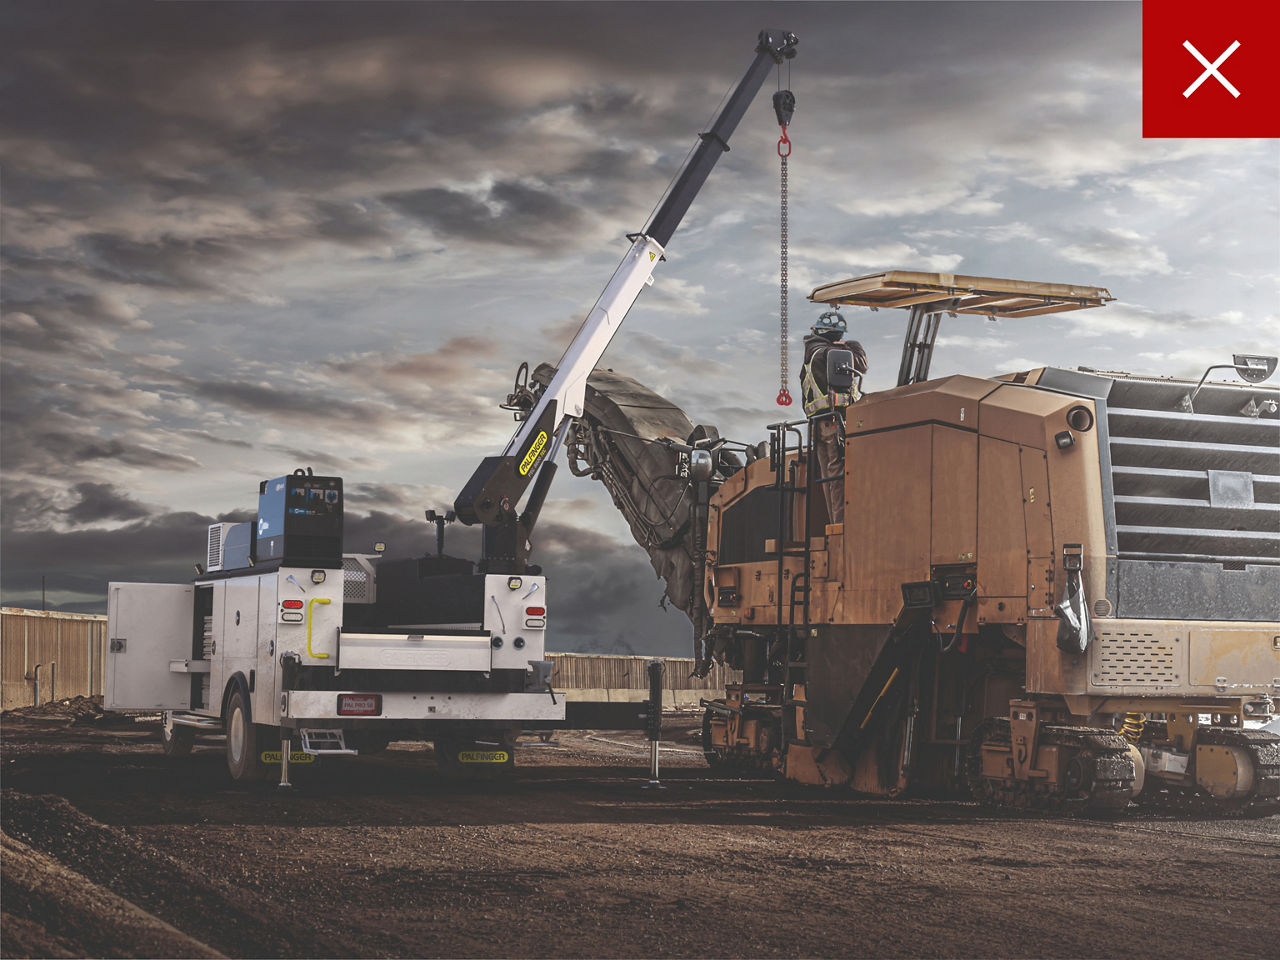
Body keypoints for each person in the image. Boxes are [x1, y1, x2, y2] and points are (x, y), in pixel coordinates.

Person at [799, 311, 868, 525]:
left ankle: (836, 522)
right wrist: (851, 345)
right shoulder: (828, 354)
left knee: (830, 478)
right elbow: (861, 364)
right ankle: (841, 526)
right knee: (837, 478)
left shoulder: (813, 354)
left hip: (820, 424)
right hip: (832, 423)